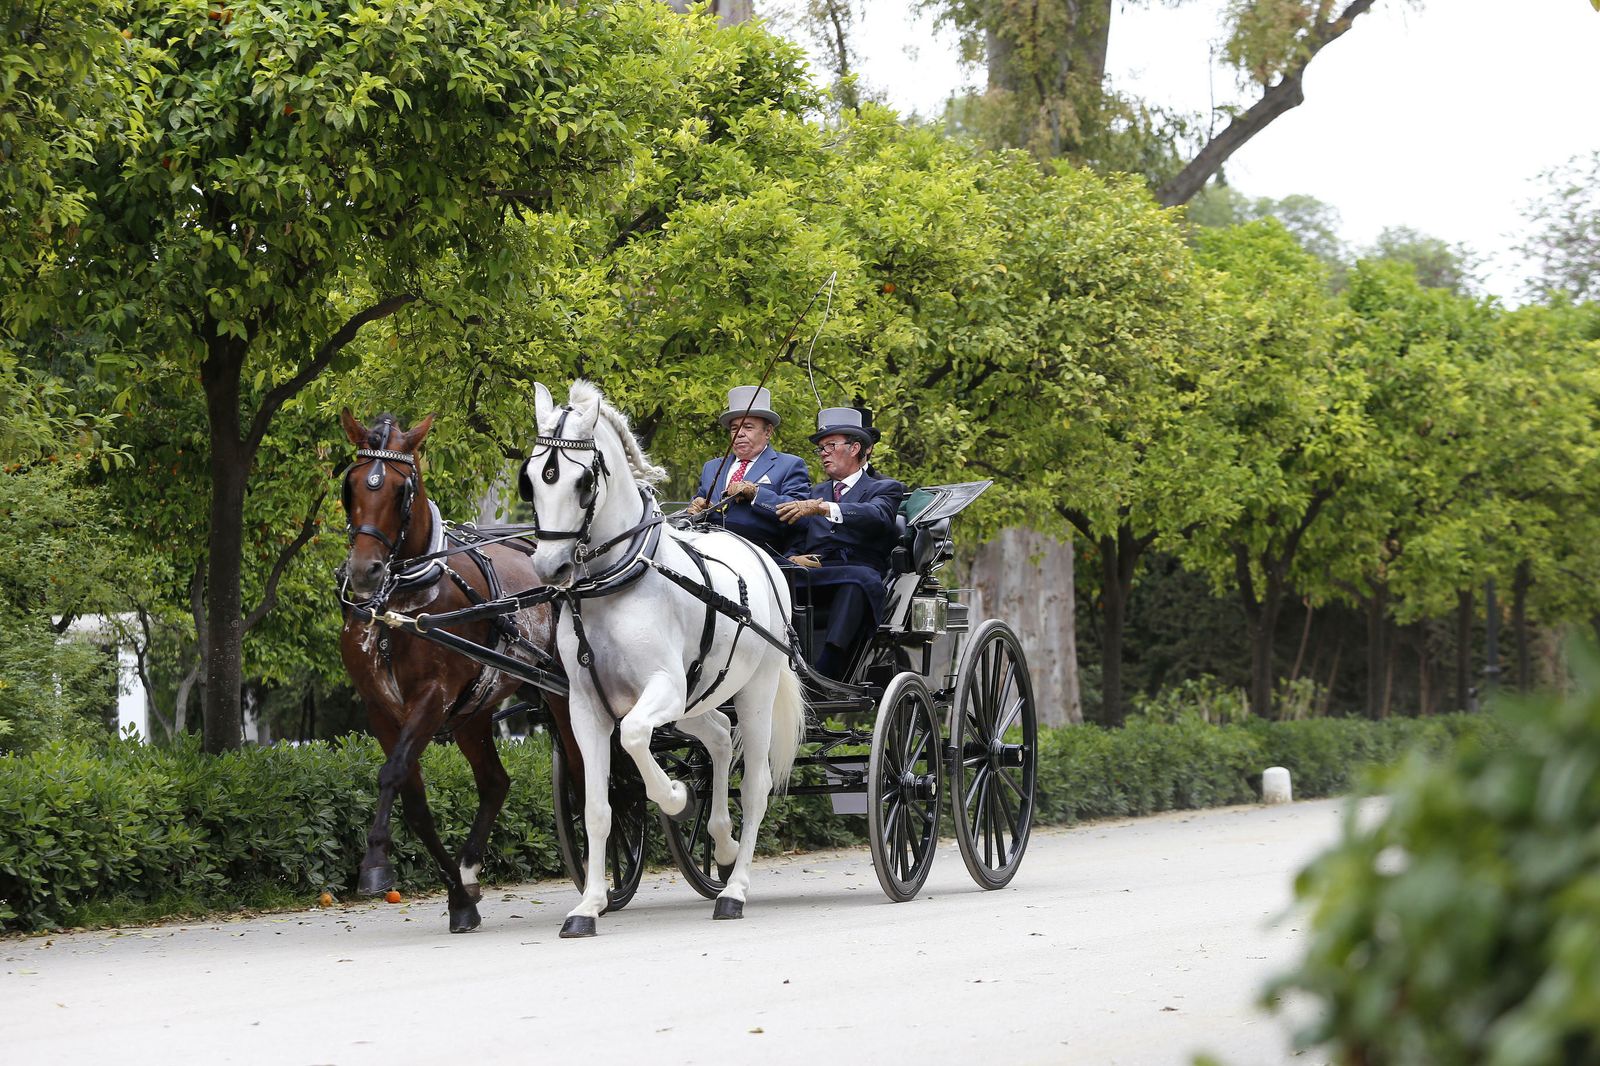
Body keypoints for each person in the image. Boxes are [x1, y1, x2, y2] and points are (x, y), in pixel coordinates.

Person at [775, 407, 905, 679]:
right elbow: (797, 536)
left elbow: (878, 515)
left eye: (830, 445)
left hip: (856, 569)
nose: (823, 453)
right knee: (773, 576)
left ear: (856, 447)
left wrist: (824, 509)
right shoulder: (814, 492)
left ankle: (828, 667)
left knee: (857, 582)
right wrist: (793, 557)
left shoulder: (885, 488)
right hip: (813, 572)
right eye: (821, 448)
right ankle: (776, 658)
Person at [686, 385, 810, 552]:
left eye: (748, 427)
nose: (740, 434)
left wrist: (757, 494)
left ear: (768, 432)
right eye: (734, 428)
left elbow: (800, 516)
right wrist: (696, 507)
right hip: (707, 553)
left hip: (760, 557)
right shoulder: (712, 467)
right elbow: (697, 505)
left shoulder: (790, 465)